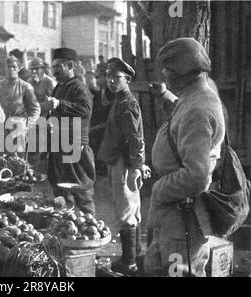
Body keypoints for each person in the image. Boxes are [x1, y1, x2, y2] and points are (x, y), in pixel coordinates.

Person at [145, 38, 225, 277]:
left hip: (183, 213)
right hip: (176, 210)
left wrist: (159, 189)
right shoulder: (194, 95)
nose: (163, 73)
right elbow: (180, 117)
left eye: (168, 69)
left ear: (183, 72)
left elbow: (196, 176)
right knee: (159, 267)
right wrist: (165, 97)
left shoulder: (197, 109)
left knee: (176, 272)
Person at [98, 57, 145, 276]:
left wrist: (137, 165)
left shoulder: (127, 102)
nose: (110, 81)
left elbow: (135, 137)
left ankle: (129, 263)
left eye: (116, 77)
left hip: (125, 163)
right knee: (129, 210)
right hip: (120, 161)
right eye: (108, 77)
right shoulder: (119, 99)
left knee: (126, 211)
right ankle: (132, 257)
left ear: (126, 79)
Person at [47, 47, 96, 215]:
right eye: (52, 68)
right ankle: (66, 232)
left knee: (81, 191)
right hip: (59, 146)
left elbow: (85, 110)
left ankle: (90, 231)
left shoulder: (79, 87)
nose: (54, 72)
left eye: (58, 67)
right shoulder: (60, 87)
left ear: (70, 65)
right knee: (61, 191)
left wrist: (60, 104)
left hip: (75, 146)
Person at [0, 56, 40, 154]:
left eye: (13, 67)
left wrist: (27, 124)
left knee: (17, 158)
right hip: (1, 125)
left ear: (19, 68)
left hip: (18, 125)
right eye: (8, 67)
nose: (11, 69)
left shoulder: (25, 87)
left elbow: (35, 109)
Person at [27, 57, 57, 180]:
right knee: (31, 147)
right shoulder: (29, 82)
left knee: (42, 147)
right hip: (31, 120)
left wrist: (36, 106)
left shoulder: (49, 83)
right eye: (32, 70)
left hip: (45, 119)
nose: (34, 72)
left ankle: (41, 174)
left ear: (42, 69)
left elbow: (53, 103)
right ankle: (31, 172)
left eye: (36, 69)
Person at [89, 70, 115, 176]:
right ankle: (97, 166)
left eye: (101, 77)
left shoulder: (112, 92)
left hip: (109, 124)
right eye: (97, 78)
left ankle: (102, 166)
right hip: (99, 125)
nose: (98, 80)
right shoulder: (99, 92)